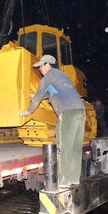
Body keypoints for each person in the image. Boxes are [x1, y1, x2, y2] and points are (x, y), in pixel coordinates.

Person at [20, 54, 86, 187]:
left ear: (47, 65)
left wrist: (28, 111)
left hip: (68, 114)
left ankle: (63, 181)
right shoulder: (61, 75)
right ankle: (73, 179)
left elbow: (39, 96)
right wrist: (37, 96)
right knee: (75, 148)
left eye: (41, 66)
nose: (39, 69)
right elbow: (51, 93)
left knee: (64, 147)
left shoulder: (49, 76)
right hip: (80, 112)